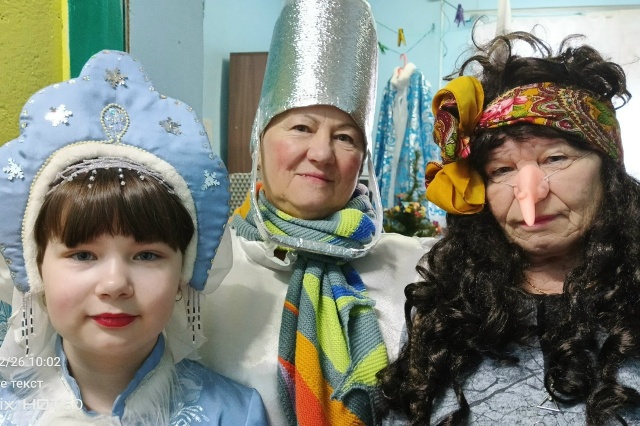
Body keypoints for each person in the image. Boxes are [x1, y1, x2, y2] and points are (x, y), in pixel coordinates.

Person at [377, 31, 640, 424]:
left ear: (609, 171)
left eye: (555, 158)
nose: (530, 194)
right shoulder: (446, 307)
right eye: (501, 169)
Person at [198, 0, 435, 425]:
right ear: (259, 140)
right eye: (301, 128)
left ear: (362, 160)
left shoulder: (417, 268)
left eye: (345, 137)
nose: (322, 153)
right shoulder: (204, 272)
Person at [0, 50, 268, 425]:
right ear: (36, 269)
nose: (114, 285)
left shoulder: (234, 415)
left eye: (146, 255)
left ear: (184, 274)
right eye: (83, 255)